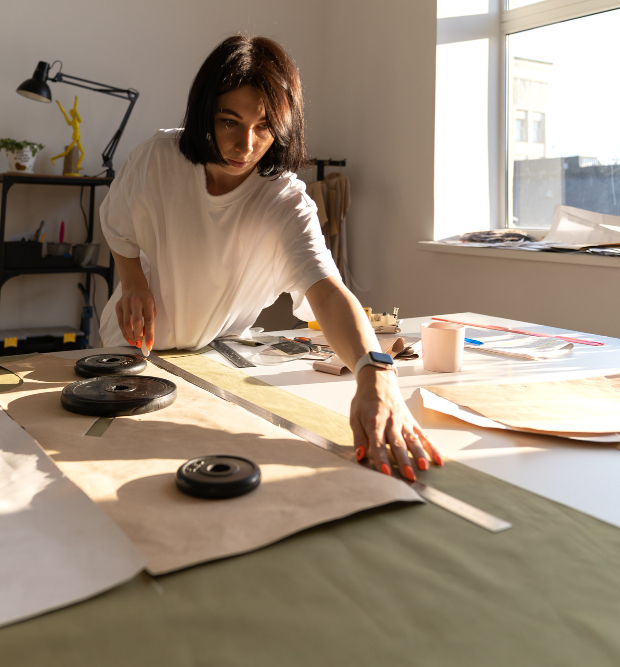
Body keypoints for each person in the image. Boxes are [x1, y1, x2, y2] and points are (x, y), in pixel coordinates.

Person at [98, 35, 441, 479]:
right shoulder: (156, 159)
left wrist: (375, 373)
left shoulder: (285, 202)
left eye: (263, 127)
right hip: (130, 350)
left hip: (211, 357)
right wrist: (134, 284)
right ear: (205, 112)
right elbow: (118, 227)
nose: (245, 144)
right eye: (228, 121)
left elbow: (327, 290)